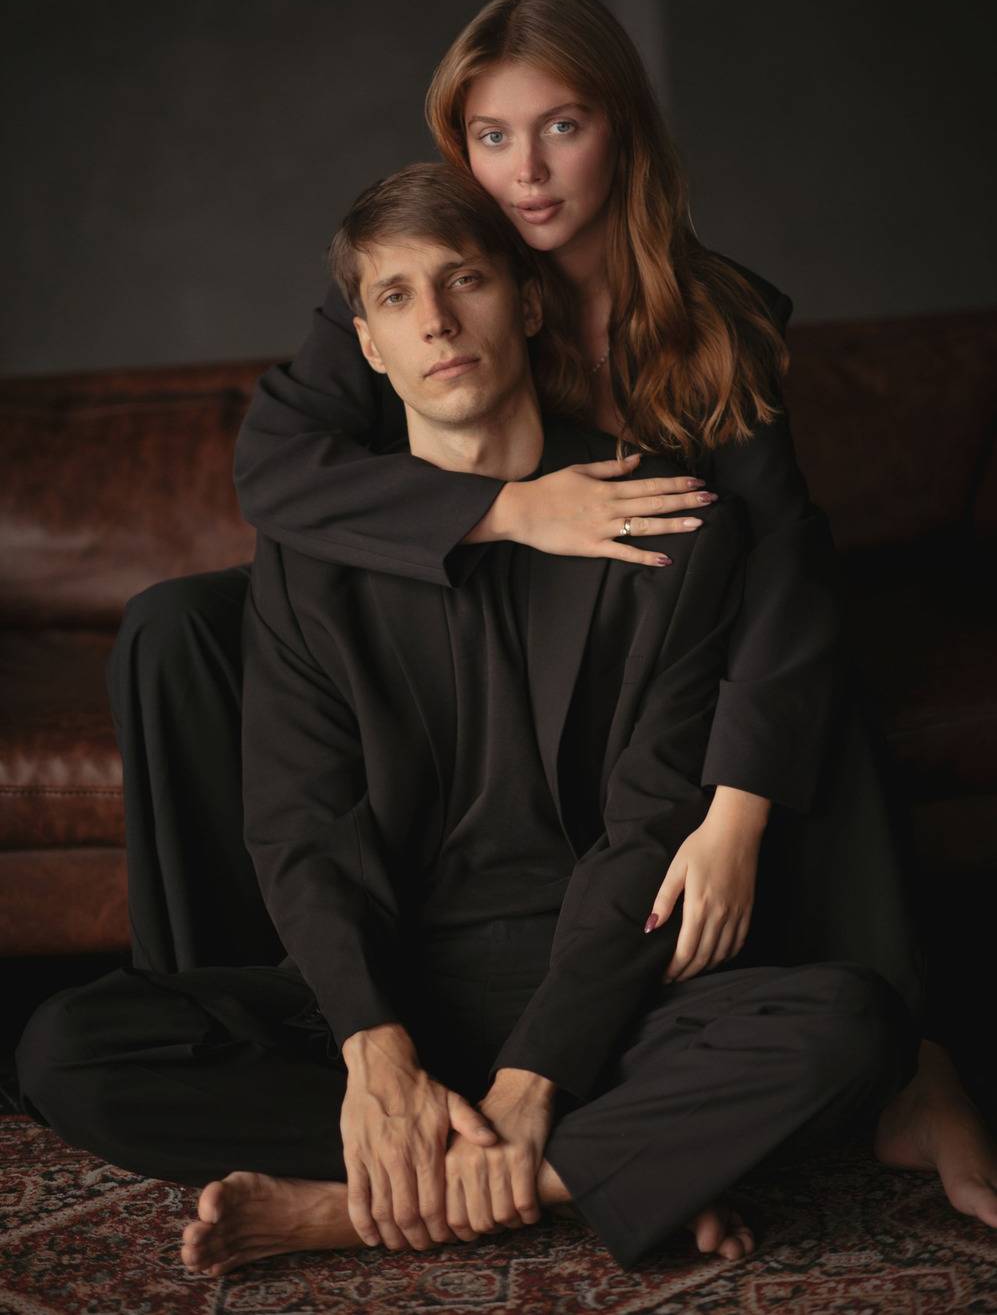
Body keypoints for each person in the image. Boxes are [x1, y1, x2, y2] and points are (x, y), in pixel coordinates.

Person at [107, 0, 997, 1226]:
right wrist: (508, 511)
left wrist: (733, 815)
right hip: (405, 575)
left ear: (621, 129)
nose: (524, 171)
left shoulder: (710, 311)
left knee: (793, 653)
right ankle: (320, 1024)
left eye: (561, 127)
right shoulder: (422, 261)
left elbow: (781, 560)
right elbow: (274, 471)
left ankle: (899, 1059)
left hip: (640, 598)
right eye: (491, 136)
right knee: (174, 629)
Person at [16, 163, 916, 1276]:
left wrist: (539, 1076)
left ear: (527, 305)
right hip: (403, 973)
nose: (436, 321)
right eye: (396, 297)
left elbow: (647, 828)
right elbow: (300, 825)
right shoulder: (311, 553)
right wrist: (375, 1050)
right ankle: (605, 1170)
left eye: (465, 280)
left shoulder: (666, 520)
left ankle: (360, 1205)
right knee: (69, 1049)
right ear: (367, 345)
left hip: (600, 989)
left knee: (849, 1027)